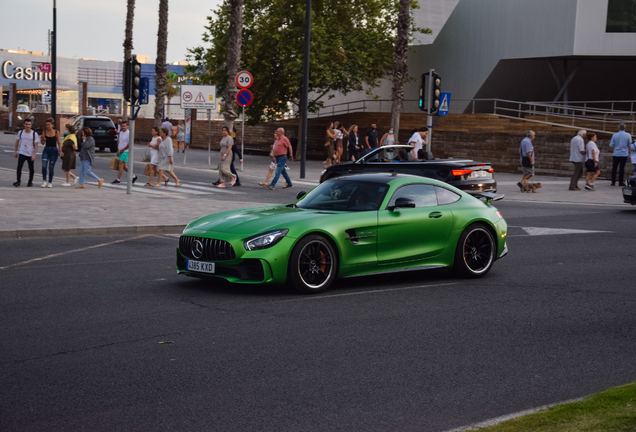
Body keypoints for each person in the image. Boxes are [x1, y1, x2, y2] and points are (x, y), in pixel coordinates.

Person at [13, 119, 39, 187]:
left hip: (30, 153)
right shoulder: (21, 132)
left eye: (29, 124)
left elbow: (36, 145)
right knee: (19, 167)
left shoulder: (34, 134)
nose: (28, 126)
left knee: (31, 168)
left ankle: (30, 181)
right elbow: (17, 142)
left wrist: (34, 155)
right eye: (26, 124)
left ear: (31, 125)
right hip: (22, 152)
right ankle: (18, 181)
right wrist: (16, 151)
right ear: (24, 124)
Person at [40, 118, 61, 188]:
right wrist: (42, 139)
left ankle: (50, 182)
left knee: (51, 167)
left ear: (52, 125)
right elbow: (42, 143)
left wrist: (61, 151)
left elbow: (59, 142)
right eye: (46, 125)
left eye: (49, 125)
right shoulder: (44, 132)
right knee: (44, 166)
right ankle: (44, 180)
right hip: (46, 149)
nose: (47, 126)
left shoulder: (56, 132)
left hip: (53, 150)